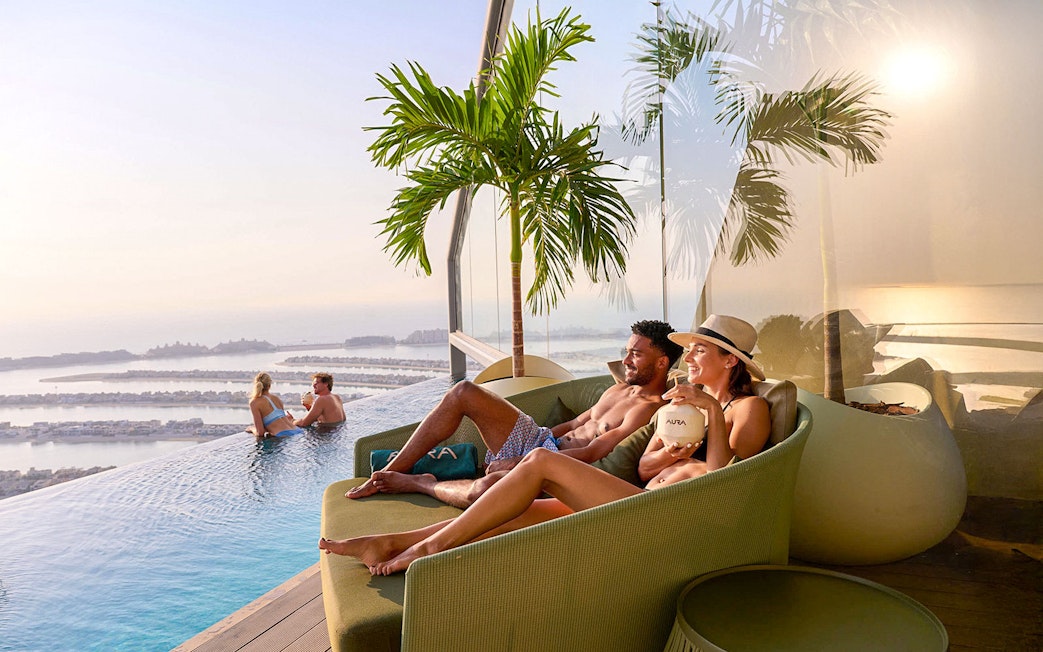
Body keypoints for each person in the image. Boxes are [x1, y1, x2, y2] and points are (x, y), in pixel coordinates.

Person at [320, 314, 771, 575]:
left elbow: (728, 485)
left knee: (536, 461)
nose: (687, 357)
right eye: (687, 350)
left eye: (698, 351)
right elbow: (648, 468)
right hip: (644, 496)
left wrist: (711, 413)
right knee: (504, 515)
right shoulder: (682, 407)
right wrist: (671, 450)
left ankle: (426, 549)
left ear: (729, 360)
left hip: (668, 517)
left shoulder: (747, 409)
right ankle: (390, 542)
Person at [345, 320, 684, 504]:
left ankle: (421, 483)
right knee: (463, 392)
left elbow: (595, 450)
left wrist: (522, 460)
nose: (626, 360)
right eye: (626, 351)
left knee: (483, 491)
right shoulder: (617, 389)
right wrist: (532, 436)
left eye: (635, 355)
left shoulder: (649, 409)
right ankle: (385, 475)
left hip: (558, 466)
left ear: (662, 362)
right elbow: (575, 422)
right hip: (540, 440)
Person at [247, 372, 306, 438]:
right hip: (298, 431)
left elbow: (260, 432)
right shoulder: (276, 398)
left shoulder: (254, 402)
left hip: (284, 435)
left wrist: (251, 429)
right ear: (269, 385)